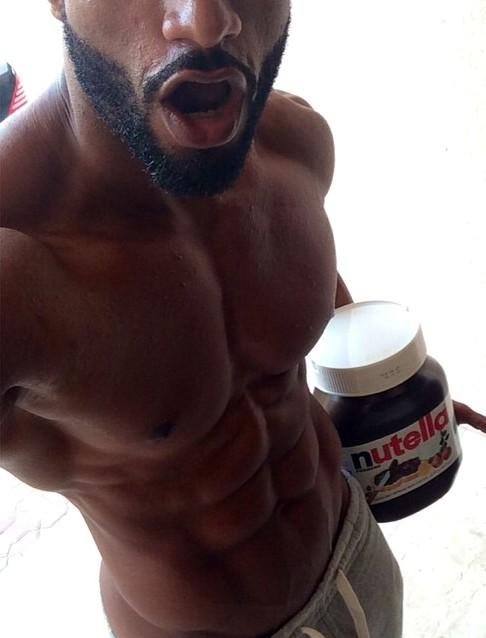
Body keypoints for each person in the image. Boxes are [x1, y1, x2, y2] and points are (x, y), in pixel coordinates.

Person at [0, 2, 484, 637]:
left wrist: (385, 395)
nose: (206, 22)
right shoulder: (15, 266)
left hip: (356, 553)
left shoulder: (293, 142)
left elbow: (304, 288)